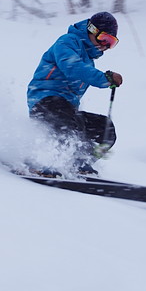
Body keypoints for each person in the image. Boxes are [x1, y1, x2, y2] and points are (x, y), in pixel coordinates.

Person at [27, 11, 124, 175]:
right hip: (45, 102)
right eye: (104, 39)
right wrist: (104, 79)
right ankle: (41, 163)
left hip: (67, 110)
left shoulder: (89, 60)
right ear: (92, 30)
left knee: (105, 130)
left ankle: (79, 163)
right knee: (68, 125)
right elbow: (73, 67)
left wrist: (94, 151)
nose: (106, 46)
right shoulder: (67, 42)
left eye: (111, 42)